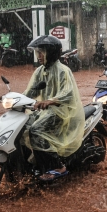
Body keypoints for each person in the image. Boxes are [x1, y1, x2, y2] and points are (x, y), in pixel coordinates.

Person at [22, 35, 85, 182]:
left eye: (41, 52)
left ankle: (58, 166)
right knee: (23, 126)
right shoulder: (39, 71)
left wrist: (51, 101)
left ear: (51, 52)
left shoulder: (63, 70)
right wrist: (14, 99)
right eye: (37, 52)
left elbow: (67, 93)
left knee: (35, 131)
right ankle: (31, 162)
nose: (39, 56)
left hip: (61, 111)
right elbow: (31, 91)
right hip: (44, 111)